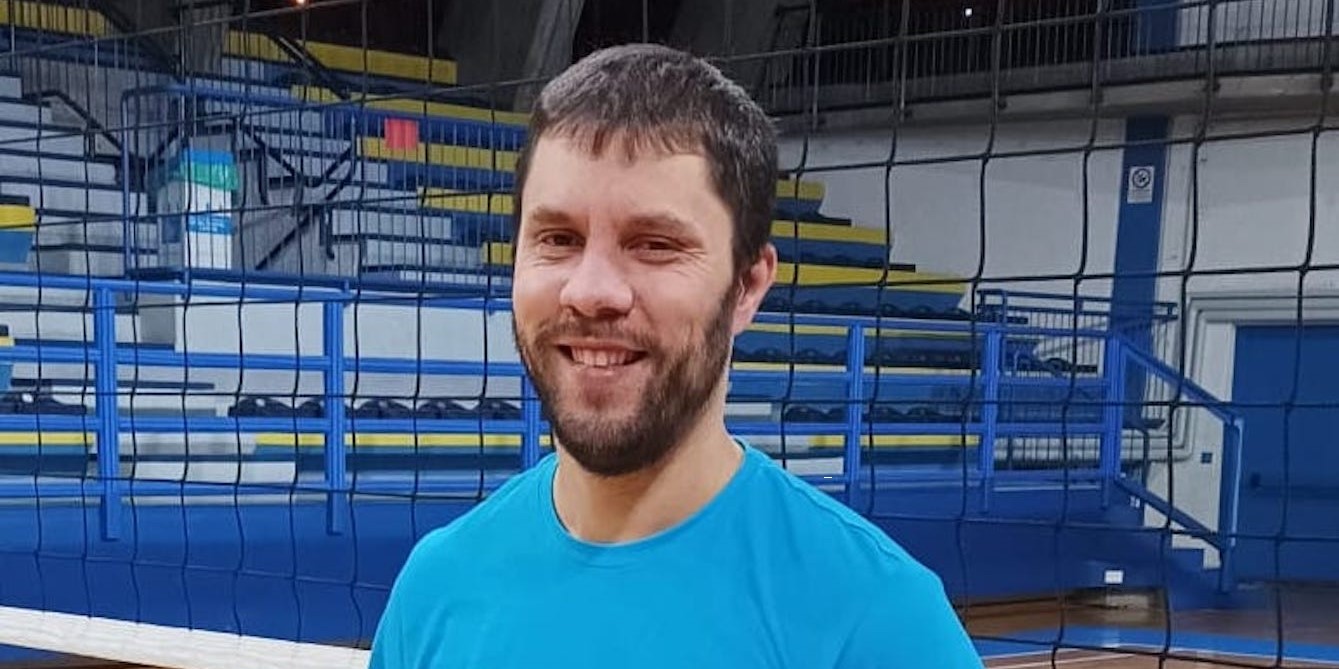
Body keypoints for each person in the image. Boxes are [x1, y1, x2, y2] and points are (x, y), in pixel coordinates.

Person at [368, 43, 983, 669]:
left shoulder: (875, 619)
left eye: (655, 244)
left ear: (747, 286)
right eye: (558, 238)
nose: (591, 290)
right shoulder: (436, 587)